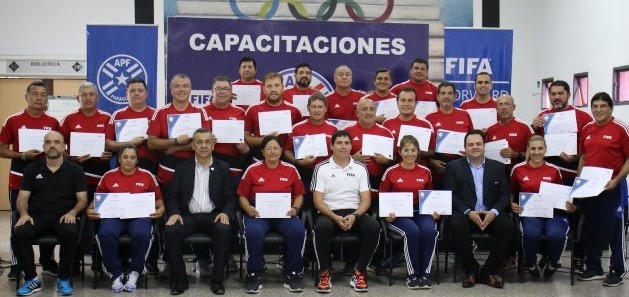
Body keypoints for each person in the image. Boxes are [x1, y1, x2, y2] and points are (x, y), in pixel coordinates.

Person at [12, 131, 88, 296]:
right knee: (19, 233)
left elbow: (82, 199)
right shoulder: (31, 169)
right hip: (36, 217)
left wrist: (73, 213)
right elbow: (22, 198)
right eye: (48, 142)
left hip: (63, 216)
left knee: (70, 231)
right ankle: (32, 279)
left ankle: (64, 278)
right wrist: (24, 214)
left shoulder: (76, 170)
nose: (52, 145)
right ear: (43, 147)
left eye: (56, 142)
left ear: (64, 146)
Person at [163, 128, 236, 295]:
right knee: (171, 231)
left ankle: (217, 281)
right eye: (199, 142)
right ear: (193, 146)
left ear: (213, 146)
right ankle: (180, 281)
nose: (204, 146)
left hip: (213, 215)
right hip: (187, 216)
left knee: (224, 230)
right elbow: (172, 196)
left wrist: (226, 212)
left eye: (207, 142)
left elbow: (231, 198)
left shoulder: (223, 167)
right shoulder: (182, 167)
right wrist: (174, 213)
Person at [0, 81, 60, 279]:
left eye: (43, 95)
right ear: (27, 97)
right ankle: (18, 265)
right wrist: (21, 155)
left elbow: (58, 149)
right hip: (19, 179)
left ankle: (48, 261)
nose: (39, 98)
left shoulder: (53, 122)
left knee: (48, 217)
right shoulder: (13, 120)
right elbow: (1, 149)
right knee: (18, 222)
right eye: (35, 94)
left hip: (48, 180)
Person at [86, 145, 165, 292]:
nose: (129, 160)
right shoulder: (108, 176)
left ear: (137, 160)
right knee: (105, 234)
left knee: (142, 234)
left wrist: (160, 211)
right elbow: (94, 204)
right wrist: (89, 211)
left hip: (139, 216)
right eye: (125, 157)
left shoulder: (147, 175)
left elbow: (160, 204)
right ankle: (115, 274)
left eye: (132, 157)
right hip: (114, 216)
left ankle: (135, 272)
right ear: (119, 159)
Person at [444, 130, 516, 289]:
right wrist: (468, 212)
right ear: (465, 148)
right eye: (470, 144)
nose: (475, 147)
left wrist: (494, 212)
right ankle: (471, 269)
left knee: (508, 227)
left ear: (484, 146)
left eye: (478, 144)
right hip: (467, 213)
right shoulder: (453, 167)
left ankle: (489, 271)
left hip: (491, 213)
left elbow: (505, 195)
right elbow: (450, 195)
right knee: (456, 225)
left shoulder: (497, 167)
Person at [311, 130, 381, 293]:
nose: (343, 146)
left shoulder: (361, 168)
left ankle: (359, 272)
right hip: (329, 212)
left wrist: (355, 215)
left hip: (354, 212)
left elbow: (366, 200)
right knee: (321, 228)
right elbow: (317, 201)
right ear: (332, 146)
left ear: (351, 146)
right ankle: (324, 273)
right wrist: (335, 217)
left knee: (374, 227)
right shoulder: (321, 168)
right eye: (339, 143)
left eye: (347, 143)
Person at [238, 135, 306, 293]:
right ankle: (254, 273)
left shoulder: (291, 169)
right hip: (258, 213)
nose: (272, 151)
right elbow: (242, 195)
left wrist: (295, 208)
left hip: (285, 213)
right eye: (268, 148)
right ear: (262, 151)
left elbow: (299, 195)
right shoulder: (252, 169)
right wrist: (248, 208)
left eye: (276, 148)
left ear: (282, 151)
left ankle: (292, 273)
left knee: (298, 230)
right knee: (253, 232)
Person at [577, 92, 629, 286]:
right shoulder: (588, 128)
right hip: (590, 187)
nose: (598, 110)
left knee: (614, 228)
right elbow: (583, 156)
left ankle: (617, 270)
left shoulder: (621, 129)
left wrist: (616, 180)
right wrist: (579, 181)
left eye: (603, 106)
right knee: (591, 228)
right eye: (595, 106)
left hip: (613, 187)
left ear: (611, 108)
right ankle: (594, 267)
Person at [510, 135, 576, 279]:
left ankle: (553, 262)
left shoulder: (554, 170)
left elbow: (561, 195)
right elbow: (510, 192)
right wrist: (511, 203)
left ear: (545, 150)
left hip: (554, 213)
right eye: (533, 148)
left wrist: (569, 206)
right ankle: (530, 263)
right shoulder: (518, 169)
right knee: (530, 233)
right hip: (530, 213)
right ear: (527, 150)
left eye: (540, 148)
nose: (537, 152)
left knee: (556, 234)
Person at [380, 135, 438, 289]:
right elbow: (383, 197)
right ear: (399, 151)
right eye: (406, 150)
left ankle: (425, 273)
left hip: (421, 212)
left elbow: (430, 196)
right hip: (399, 215)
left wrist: (434, 210)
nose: (410, 153)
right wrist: (387, 213)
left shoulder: (426, 171)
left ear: (418, 152)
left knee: (429, 231)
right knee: (412, 232)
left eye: (413, 150)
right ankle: (412, 274)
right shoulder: (390, 172)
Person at [147, 73, 210, 186]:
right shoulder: (161, 112)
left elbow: (207, 142)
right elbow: (151, 143)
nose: (181, 89)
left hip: (194, 164)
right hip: (167, 166)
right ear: (171, 90)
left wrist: (178, 148)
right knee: (168, 200)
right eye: (177, 86)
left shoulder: (200, 111)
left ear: (190, 89)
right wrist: (175, 141)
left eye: (185, 86)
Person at [284, 92, 338, 210]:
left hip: (327, 175)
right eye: (313, 107)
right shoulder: (297, 128)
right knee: (306, 206)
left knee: (326, 207)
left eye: (320, 107)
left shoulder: (333, 129)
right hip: (304, 173)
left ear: (325, 109)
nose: (317, 110)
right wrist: (298, 162)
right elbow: (287, 151)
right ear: (308, 108)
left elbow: (339, 153)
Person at [531, 80, 593, 183]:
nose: (556, 97)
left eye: (560, 93)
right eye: (553, 94)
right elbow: (533, 144)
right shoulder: (542, 117)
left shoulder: (584, 117)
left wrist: (577, 158)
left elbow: (591, 146)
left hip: (572, 172)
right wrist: (534, 127)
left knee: (570, 200)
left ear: (568, 95)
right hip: (548, 174)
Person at [60, 82, 113, 195]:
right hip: (74, 171)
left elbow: (113, 145)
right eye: (84, 94)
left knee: (96, 210)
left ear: (97, 98)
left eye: (91, 94)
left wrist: (110, 154)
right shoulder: (69, 119)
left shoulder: (107, 118)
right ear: (78, 98)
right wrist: (71, 158)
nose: (88, 98)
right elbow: (57, 145)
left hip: (100, 172)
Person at [244, 72, 302, 163]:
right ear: (263, 89)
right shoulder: (253, 109)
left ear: (283, 88)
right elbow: (245, 137)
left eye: (276, 85)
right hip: (259, 159)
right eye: (269, 86)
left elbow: (300, 138)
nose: (273, 89)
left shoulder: (295, 110)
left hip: (286, 161)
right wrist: (263, 140)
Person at [105, 78, 158, 174]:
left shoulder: (156, 114)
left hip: (151, 164)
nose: (136, 93)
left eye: (140, 90)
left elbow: (161, 141)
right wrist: (130, 143)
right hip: (124, 164)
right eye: (132, 91)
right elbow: (108, 144)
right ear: (127, 94)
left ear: (146, 94)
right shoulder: (118, 115)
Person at [426, 82, 474, 189]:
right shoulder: (429, 118)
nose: (446, 96)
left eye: (450, 93)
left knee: (459, 202)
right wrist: (432, 162)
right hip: (438, 168)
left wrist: (469, 153)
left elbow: (472, 141)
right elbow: (424, 148)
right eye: (443, 93)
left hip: (461, 166)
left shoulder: (465, 115)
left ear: (455, 96)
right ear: (437, 97)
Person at [203, 75, 250, 178]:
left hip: (233, 162)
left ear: (230, 92)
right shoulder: (202, 111)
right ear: (212, 91)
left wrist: (244, 149)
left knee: (231, 193)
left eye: (225, 89)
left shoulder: (240, 112)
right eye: (218, 88)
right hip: (210, 159)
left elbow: (245, 138)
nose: (222, 92)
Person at [345, 98, 395, 189]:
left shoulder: (386, 132)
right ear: (357, 113)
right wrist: (352, 158)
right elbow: (336, 157)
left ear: (375, 112)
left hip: (378, 180)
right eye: (364, 109)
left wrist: (387, 161)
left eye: (372, 109)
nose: (368, 112)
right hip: (351, 179)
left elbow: (395, 158)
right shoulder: (347, 131)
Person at [382, 87, 436, 161]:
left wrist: (417, 151)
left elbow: (432, 151)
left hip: (418, 169)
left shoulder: (425, 125)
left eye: (410, 101)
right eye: (403, 100)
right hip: (392, 168)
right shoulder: (387, 124)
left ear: (416, 103)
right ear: (397, 102)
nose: (406, 104)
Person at [485, 95, 533, 172]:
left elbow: (534, 153)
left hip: (519, 173)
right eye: (500, 104)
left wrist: (516, 154)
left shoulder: (524, 127)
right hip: (495, 173)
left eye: (507, 104)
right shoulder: (490, 129)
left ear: (514, 107)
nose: (503, 107)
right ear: (496, 108)